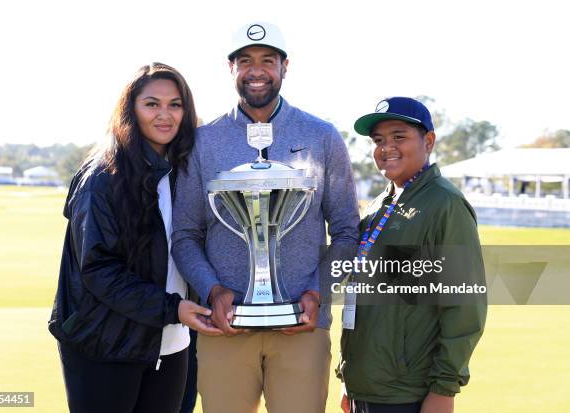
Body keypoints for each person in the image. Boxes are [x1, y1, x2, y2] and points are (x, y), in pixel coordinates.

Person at [171, 22, 360, 413]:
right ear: (231, 69)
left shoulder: (322, 136)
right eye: (245, 61)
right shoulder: (201, 142)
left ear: (284, 66)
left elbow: (345, 231)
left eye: (267, 60)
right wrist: (212, 290)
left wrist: (316, 292)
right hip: (225, 324)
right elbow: (186, 235)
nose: (256, 70)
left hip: (302, 325)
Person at [48, 62, 222, 413]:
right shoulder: (103, 176)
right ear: (131, 109)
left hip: (173, 344)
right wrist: (173, 308)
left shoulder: (183, 173)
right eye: (152, 104)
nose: (165, 115)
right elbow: (98, 270)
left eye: (175, 104)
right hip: (105, 343)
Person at [338, 97, 487, 413]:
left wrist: (444, 390)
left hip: (408, 395)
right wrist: (348, 377)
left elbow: (464, 304)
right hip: (365, 388)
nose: (386, 147)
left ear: (428, 141)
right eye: (378, 140)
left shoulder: (445, 204)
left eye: (398, 136)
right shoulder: (381, 203)